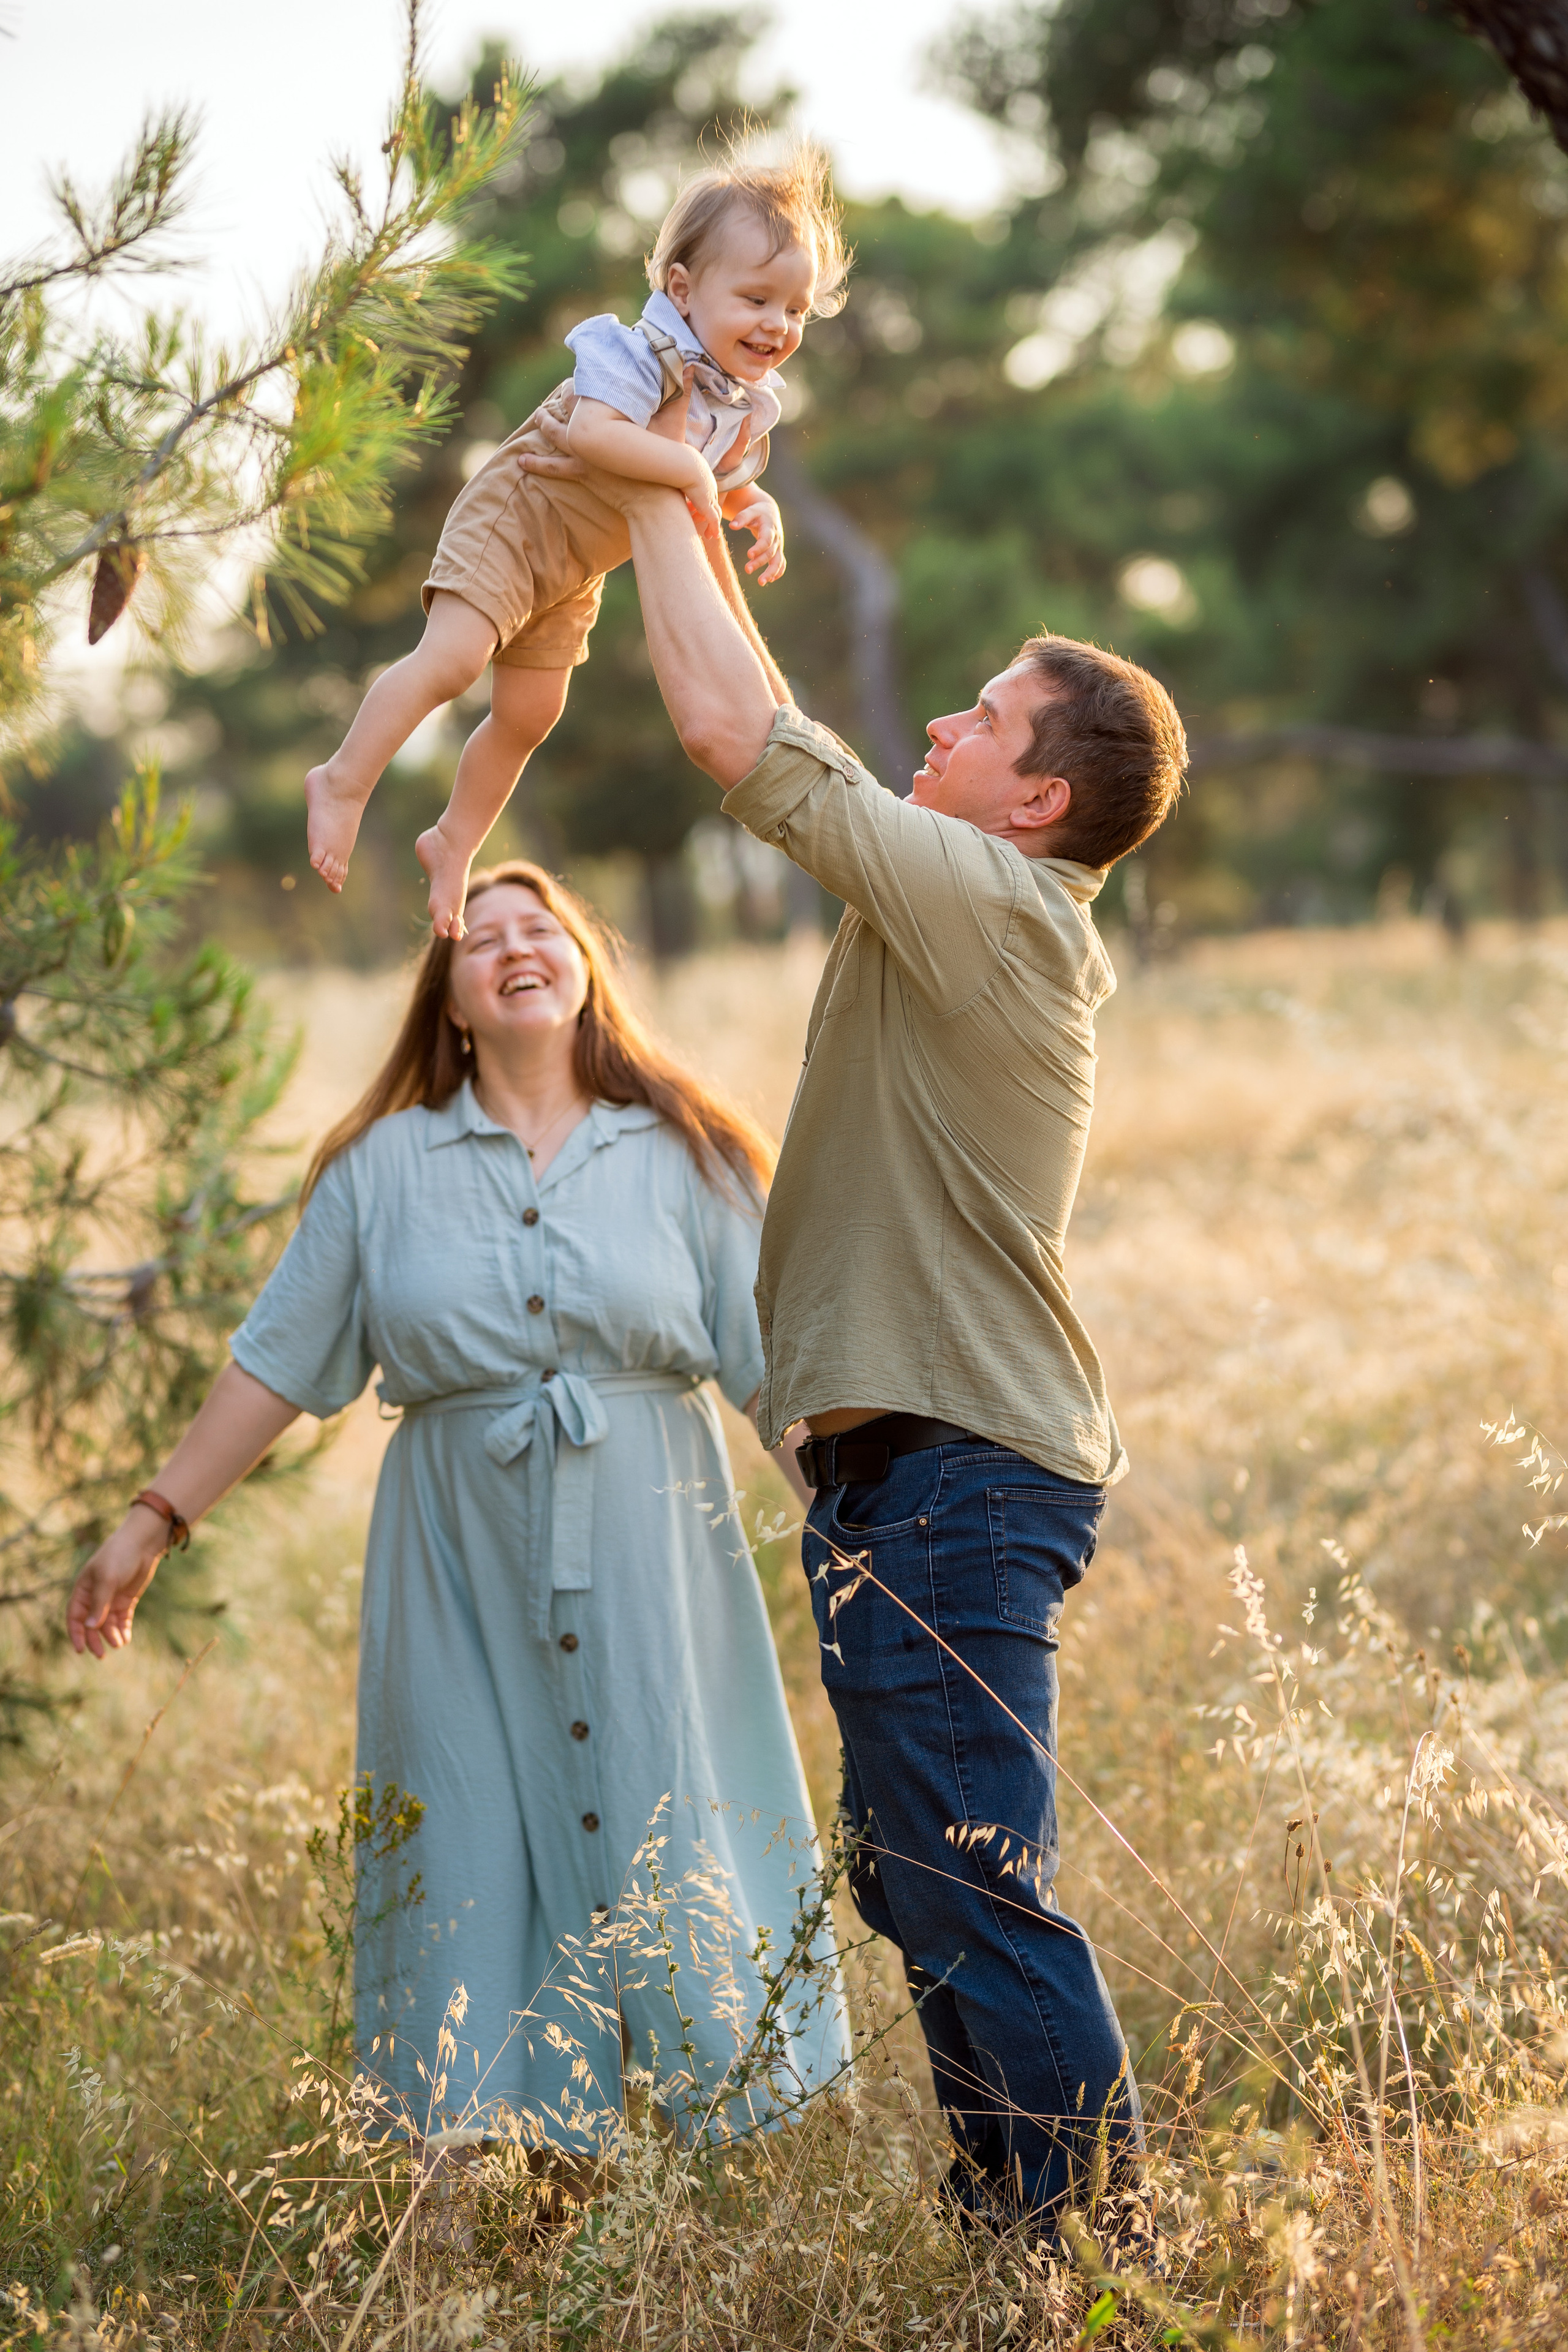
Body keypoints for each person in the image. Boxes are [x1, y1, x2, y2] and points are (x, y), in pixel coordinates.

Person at [514, 420, 1188, 2226]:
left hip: (966, 1476)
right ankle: (1020, 2239)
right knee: (917, 1875)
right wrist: (690, 509)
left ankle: (1089, 2254)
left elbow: (745, 738)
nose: (940, 730)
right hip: (901, 1482)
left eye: (978, 720)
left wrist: (656, 472)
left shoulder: (1003, 914)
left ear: (1036, 797)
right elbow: (770, 708)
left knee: (972, 1875)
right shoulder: (955, 900)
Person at [68, 861, 851, 2152]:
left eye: (540, 927)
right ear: (451, 1002)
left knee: (679, 1798)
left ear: (586, 967)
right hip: (454, 1562)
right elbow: (278, 1362)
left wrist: (864, 1542)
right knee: (467, 1833)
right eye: (477, 939)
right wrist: (156, 1515)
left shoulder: (690, 1154)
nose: (513, 947)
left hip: (657, 1551)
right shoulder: (380, 1171)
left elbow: (782, 1378)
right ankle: (489, 2156)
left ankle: (724, 2135)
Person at [303, 153, 850, 938]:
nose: (777, 325)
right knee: (455, 660)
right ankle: (345, 779)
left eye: (796, 310)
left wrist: (751, 502)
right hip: (517, 521)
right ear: (683, 290)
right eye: (756, 299)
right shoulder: (640, 354)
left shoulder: (738, 400)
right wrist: (694, 473)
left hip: (574, 572)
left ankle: (453, 839)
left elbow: (712, 478)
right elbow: (595, 434)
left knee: (531, 713)